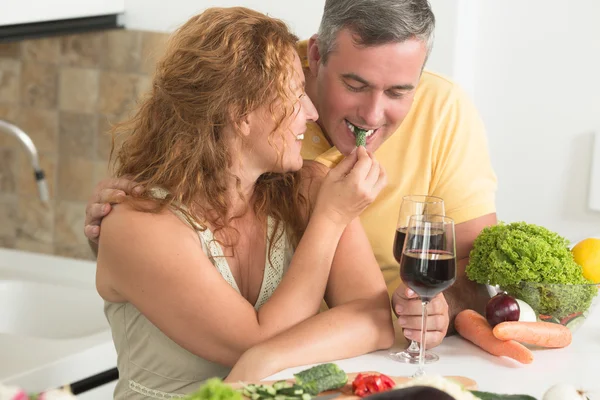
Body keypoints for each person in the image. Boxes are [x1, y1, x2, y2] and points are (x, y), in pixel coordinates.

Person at [86, 0, 497, 350]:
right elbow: (170, 185)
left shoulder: (309, 179)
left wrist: (432, 311)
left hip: (344, 367)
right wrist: (121, 231)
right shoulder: (258, 83)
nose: (372, 115)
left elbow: (396, 308)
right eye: (354, 84)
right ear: (314, 58)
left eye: (398, 92)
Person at [94, 7, 393, 398]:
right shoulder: (137, 225)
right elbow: (249, 342)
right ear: (240, 112)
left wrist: (262, 359)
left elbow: (374, 319)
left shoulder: (308, 188)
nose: (310, 112)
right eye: (294, 94)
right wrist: (332, 218)